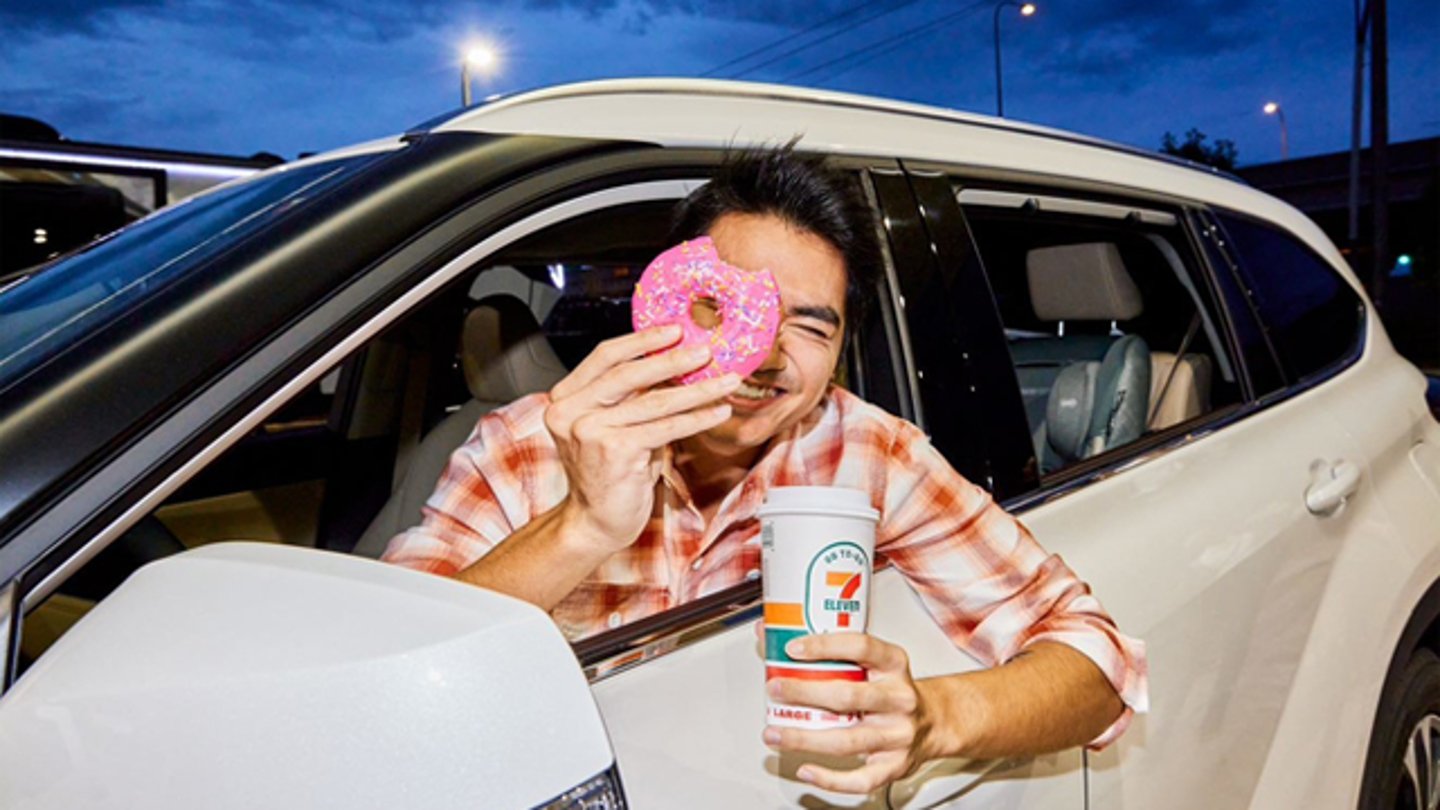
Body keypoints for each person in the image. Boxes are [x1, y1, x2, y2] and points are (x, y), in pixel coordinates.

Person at [382, 146, 1147, 794]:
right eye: (729, 306)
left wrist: (935, 718)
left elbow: (1097, 661)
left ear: (841, 352)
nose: (768, 353)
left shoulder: (869, 454)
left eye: (811, 325)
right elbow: (379, 677)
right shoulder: (531, 444)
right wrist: (580, 526)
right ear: (668, 299)